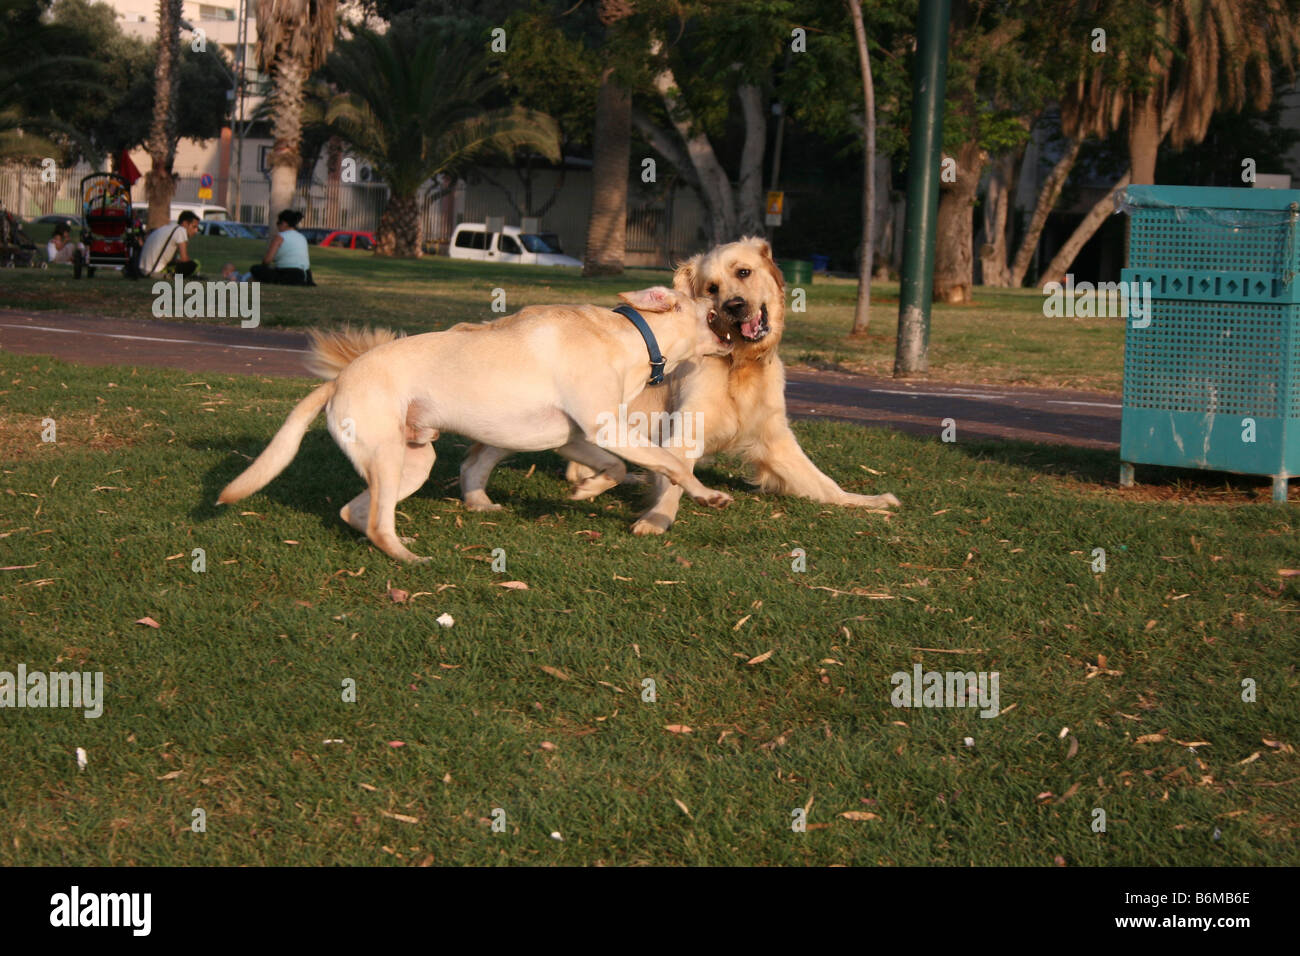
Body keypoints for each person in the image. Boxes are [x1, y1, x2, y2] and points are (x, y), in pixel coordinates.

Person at [250, 209, 313, 285]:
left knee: (255, 269)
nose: (277, 225)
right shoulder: (302, 237)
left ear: (284, 223)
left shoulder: (280, 237)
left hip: (288, 275)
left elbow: (267, 260)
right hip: (307, 276)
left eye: (278, 222)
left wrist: (264, 267)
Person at [138, 211, 201, 278]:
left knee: (179, 263)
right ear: (185, 223)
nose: (196, 231)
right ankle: (170, 275)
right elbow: (184, 259)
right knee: (194, 264)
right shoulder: (180, 230)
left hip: (142, 269)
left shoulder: (168, 227)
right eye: (194, 227)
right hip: (153, 271)